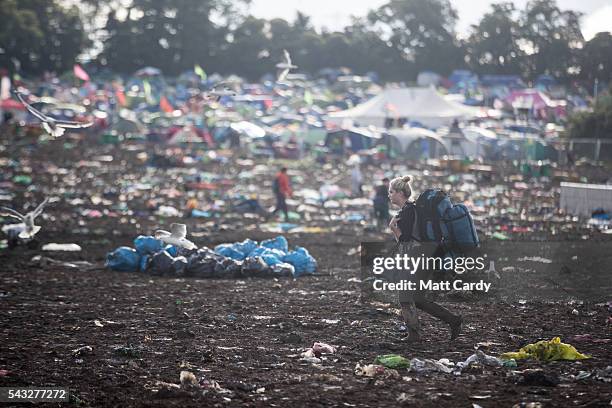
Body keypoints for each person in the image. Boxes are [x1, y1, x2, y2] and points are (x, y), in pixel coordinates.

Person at [388, 175, 462, 343]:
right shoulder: (413, 209)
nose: (389, 195)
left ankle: (414, 335)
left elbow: (405, 240)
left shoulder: (406, 212)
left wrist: (393, 228)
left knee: (405, 296)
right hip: (426, 256)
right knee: (418, 298)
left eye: (391, 192)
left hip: (418, 258)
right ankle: (453, 320)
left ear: (400, 193)